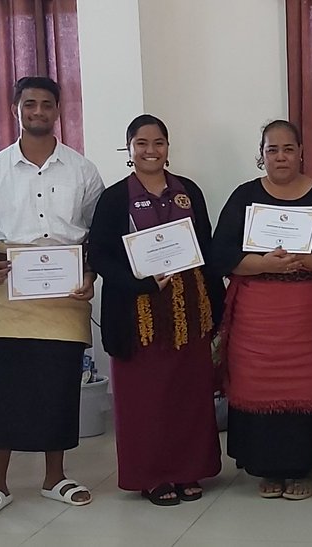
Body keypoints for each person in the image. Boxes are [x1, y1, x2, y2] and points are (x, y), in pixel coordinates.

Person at [0, 76, 104, 517]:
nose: (39, 111)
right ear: (16, 109)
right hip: (10, 287)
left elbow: (95, 237)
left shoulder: (83, 170)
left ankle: (54, 478)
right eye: (30, 104)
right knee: (5, 385)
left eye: (47, 104)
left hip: (64, 290)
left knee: (58, 385)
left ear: (58, 110)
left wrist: (91, 272)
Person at [87, 115, 223, 506]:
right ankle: (152, 476)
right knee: (145, 400)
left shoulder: (188, 191)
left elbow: (206, 248)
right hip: (138, 313)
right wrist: (142, 283)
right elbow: (100, 254)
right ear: (129, 149)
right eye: (142, 143)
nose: (151, 150)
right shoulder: (115, 197)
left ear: (168, 146)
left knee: (189, 394)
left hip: (190, 310)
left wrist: (217, 306)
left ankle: (187, 470)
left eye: (159, 142)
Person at [212, 120, 312, 500]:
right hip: (257, 315)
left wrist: (306, 259)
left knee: (311, 385)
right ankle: (265, 467)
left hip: (309, 316)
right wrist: (265, 264)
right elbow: (221, 254)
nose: (281, 156)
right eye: (272, 149)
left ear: (302, 151)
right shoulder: (244, 197)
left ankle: (305, 468)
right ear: (262, 155)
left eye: (288, 148)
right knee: (256, 384)